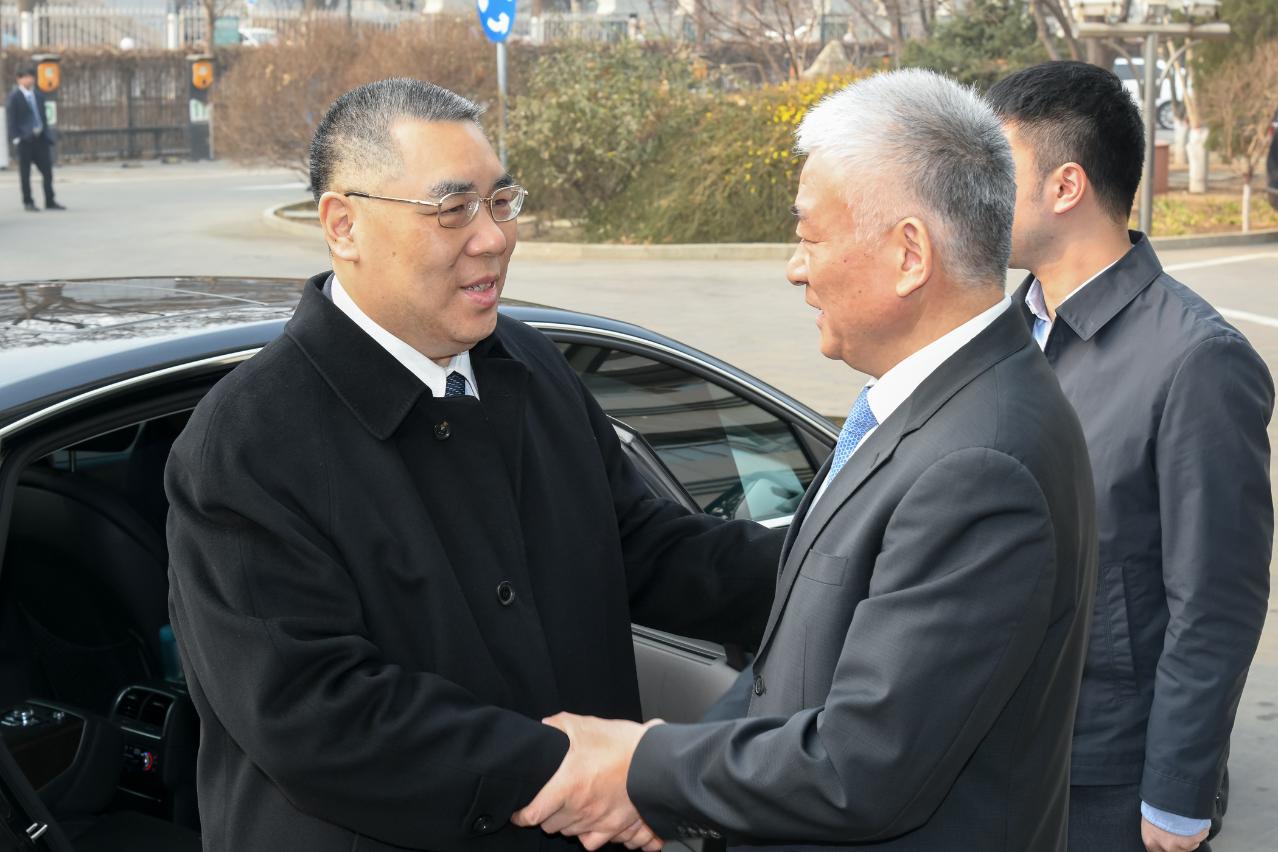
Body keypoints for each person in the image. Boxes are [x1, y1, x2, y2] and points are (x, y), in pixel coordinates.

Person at [165, 78, 783, 852]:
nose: (493, 238)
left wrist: (841, 564)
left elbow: (643, 548)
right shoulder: (246, 445)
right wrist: (570, 773)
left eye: (501, 201)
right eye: (453, 209)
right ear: (343, 225)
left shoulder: (530, 367)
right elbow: (317, 714)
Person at [512, 68, 1098, 852]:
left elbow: (862, 764)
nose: (796, 266)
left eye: (810, 237)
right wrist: (669, 784)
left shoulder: (980, 464)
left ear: (909, 254)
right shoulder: (929, 406)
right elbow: (784, 676)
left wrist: (639, 767)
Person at [986, 61, 1274, 852]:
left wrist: (1177, 793)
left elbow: (1217, 598)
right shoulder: (1005, 331)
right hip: (995, 749)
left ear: (1065, 186)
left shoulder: (1198, 360)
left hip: (1107, 775)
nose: (973, 194)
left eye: (995, 170)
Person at [5, 67, 63, 212]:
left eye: (31, 77)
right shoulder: (14, 97)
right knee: (25, 173)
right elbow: (11, 120)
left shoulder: (38, 95)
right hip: (25, 140)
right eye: (25, 77)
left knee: (47, 171)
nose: (29, 80)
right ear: (19, 79)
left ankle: (50, 200)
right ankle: (28, 201)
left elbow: (43, 116)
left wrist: (46, 133)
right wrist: (16, 138)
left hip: (40, 138)